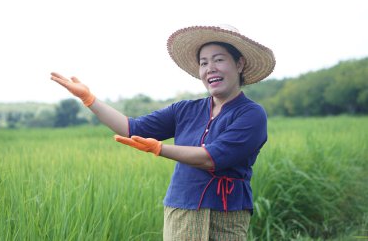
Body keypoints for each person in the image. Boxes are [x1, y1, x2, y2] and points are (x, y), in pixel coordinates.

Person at [50, 24, 275, 241]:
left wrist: (159, 148)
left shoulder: (251, 114)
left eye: (219, 59)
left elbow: (212, 158)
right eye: (204, 62)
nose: (210, 68)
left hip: (228, 214)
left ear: (239, 64)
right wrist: (89, 100)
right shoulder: (185, 110)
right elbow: (132, 129)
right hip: (182, 208)